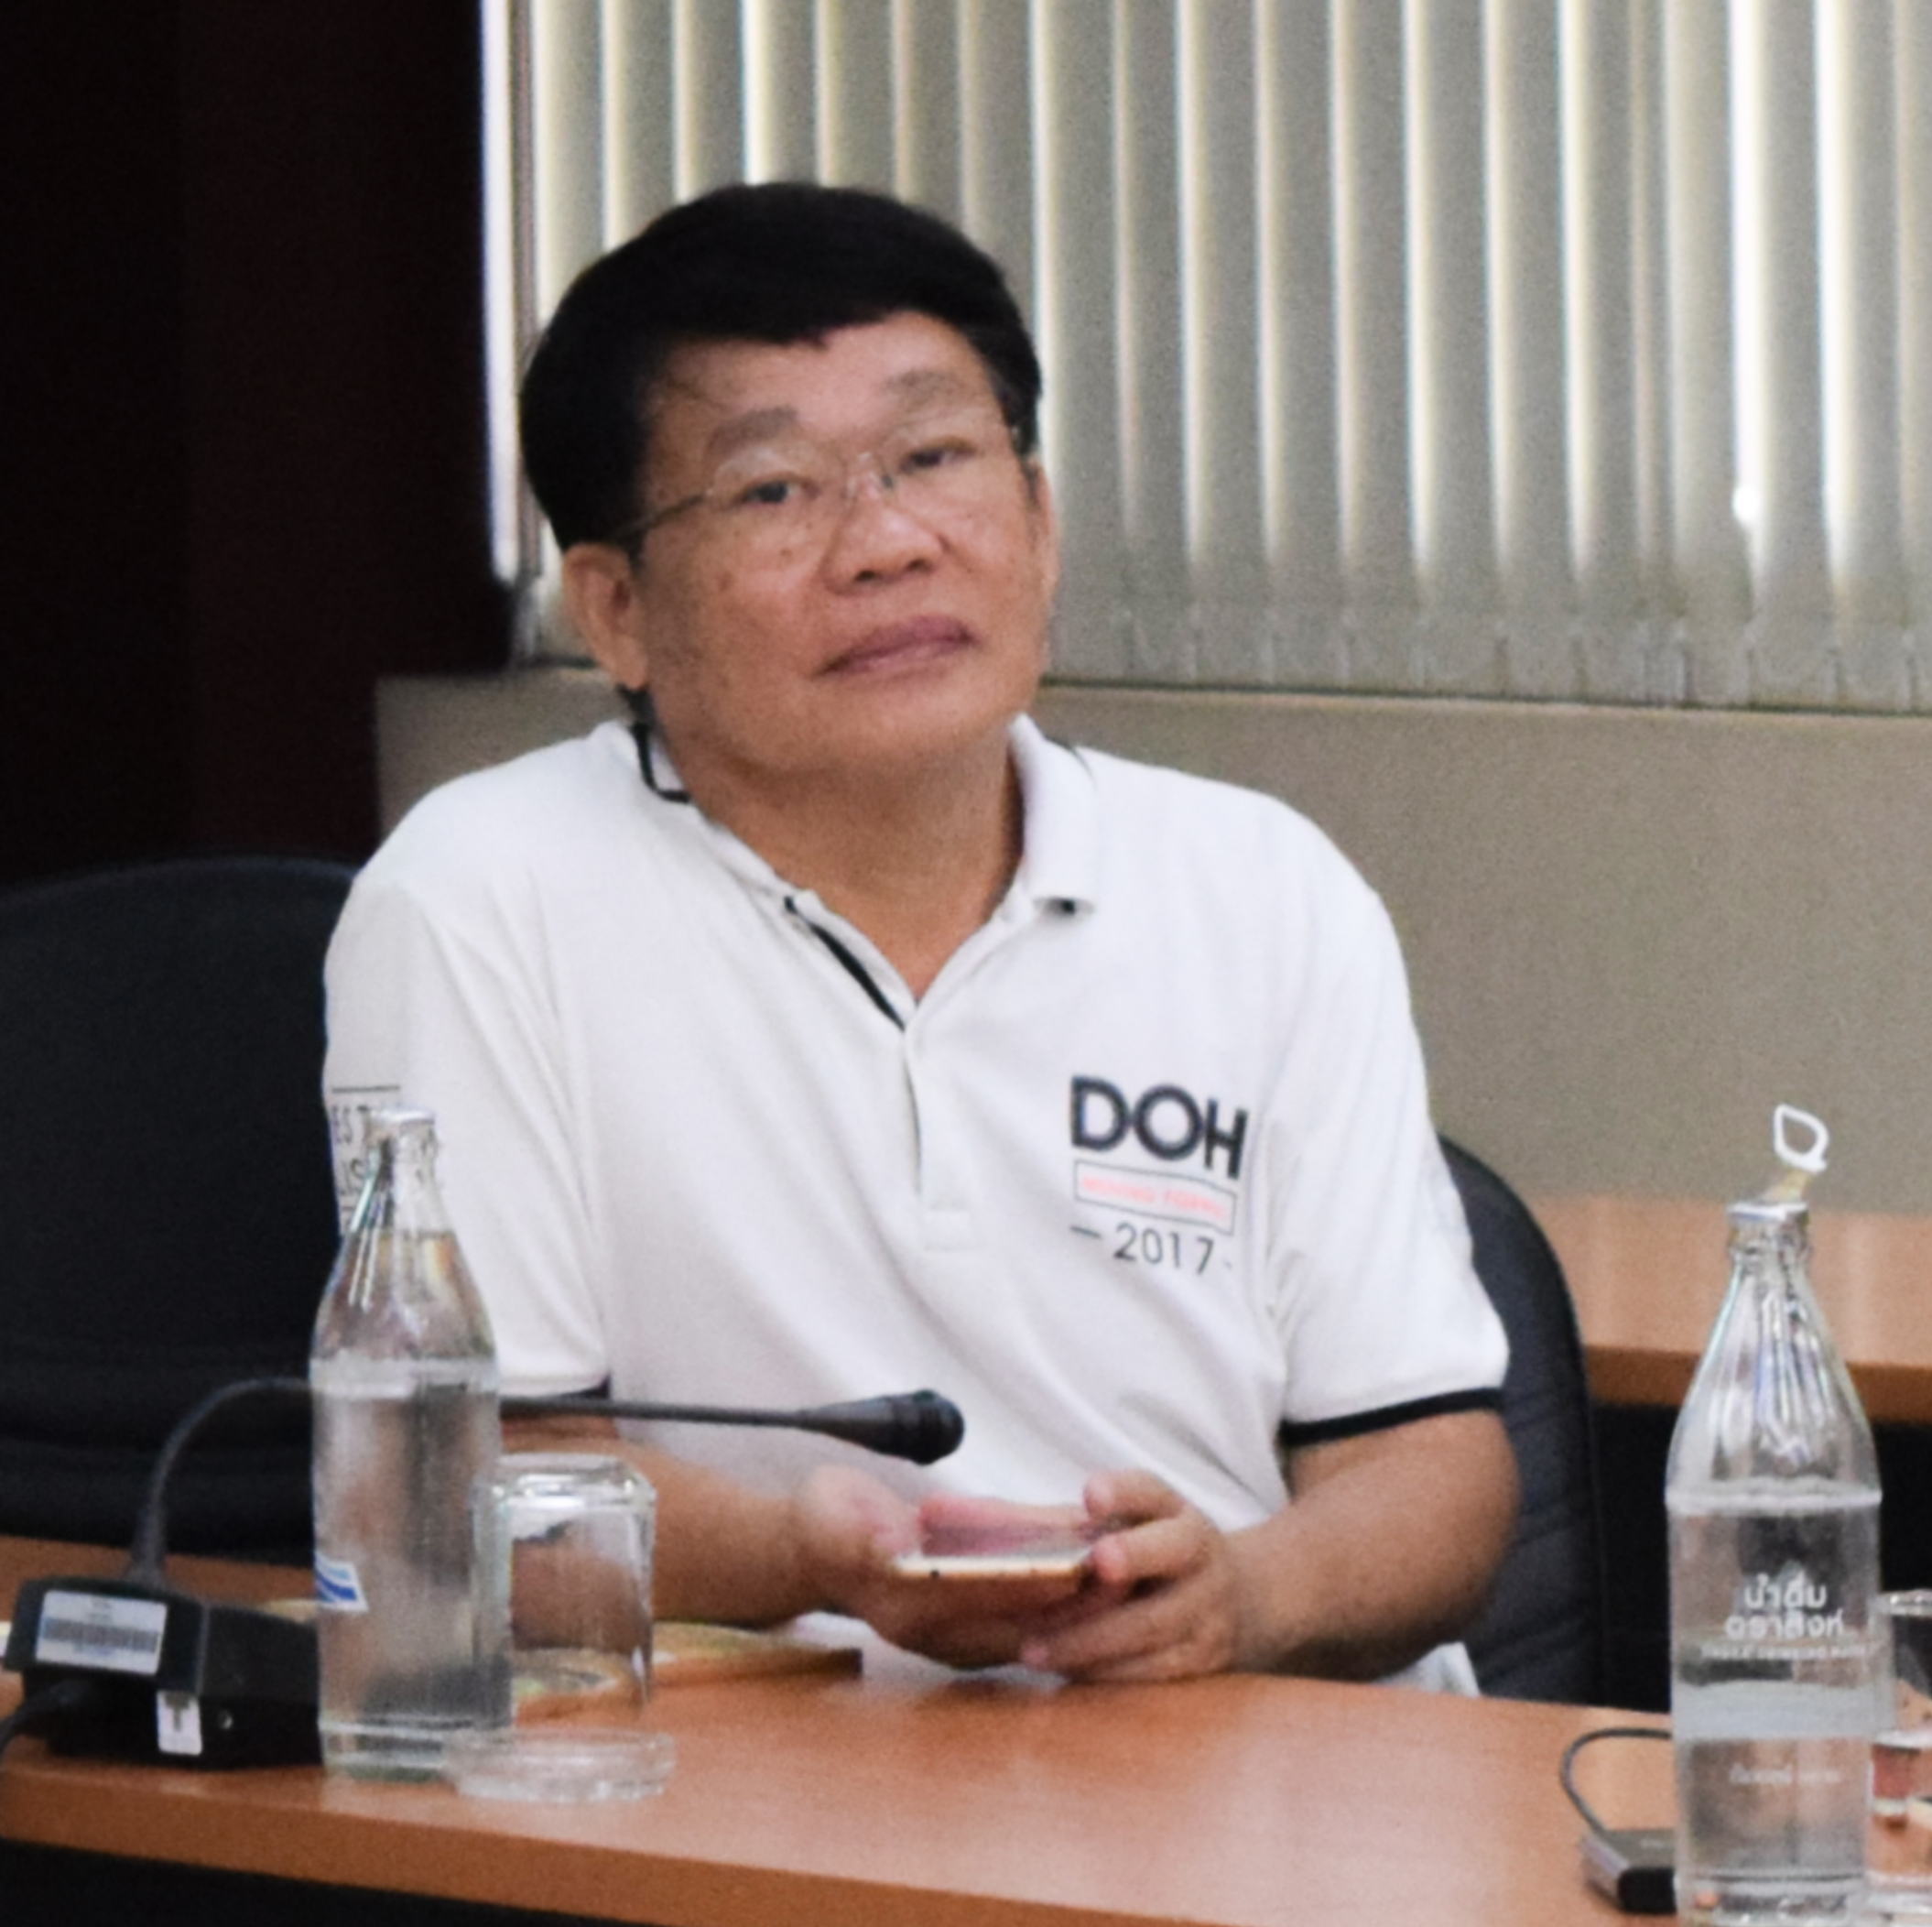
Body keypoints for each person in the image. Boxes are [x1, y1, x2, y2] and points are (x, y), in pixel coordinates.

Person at [325, 183, 1516, 1688]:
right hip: (784, 1762)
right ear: (615, 609)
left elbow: (1428, 1458)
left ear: (1041, 523)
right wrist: (810, 1559)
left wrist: (1245, 1597)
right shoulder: (481, 897)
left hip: (1243, 1745)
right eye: (774, 491)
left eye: (937, 458)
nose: (886, 541)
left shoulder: (1265, 887)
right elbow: (454, 1491)